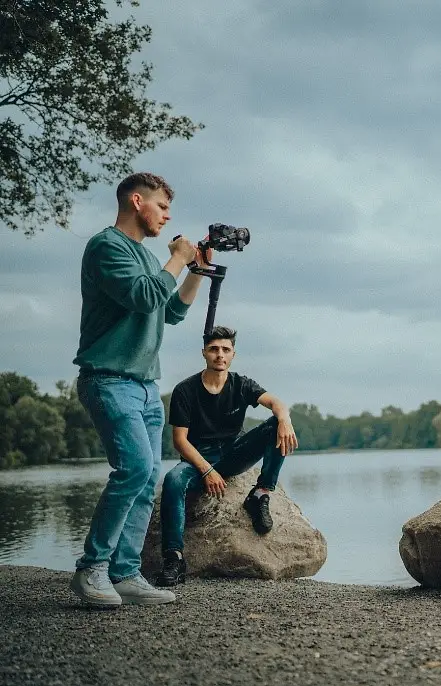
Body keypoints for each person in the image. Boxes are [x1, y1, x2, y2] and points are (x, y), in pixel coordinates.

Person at [70, 172, 207, 608]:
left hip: (146, 386)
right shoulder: (107, 246)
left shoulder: (151, 259)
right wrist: (177, 259)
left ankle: (125, 573)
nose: (168, 216)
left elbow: (171, 312)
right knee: (132, 470)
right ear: (137, 201)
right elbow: (145, 297)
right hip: (108, 380)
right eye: (162, 207)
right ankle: (91, 569)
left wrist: (195, 271)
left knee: (147, 479)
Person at [155, 326, 298, 587]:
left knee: (276, 425)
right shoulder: (185, 390)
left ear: (233, 355)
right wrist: (207, 470)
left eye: (225, 350)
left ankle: (260, 494)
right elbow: (180, 441)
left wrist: (285, 418)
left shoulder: (241, 384)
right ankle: (174, 558)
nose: (219, 355)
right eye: (214, 349)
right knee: (174, 480)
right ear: (204, 353)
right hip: (197, 459)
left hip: (233, 454)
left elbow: (276, 403)